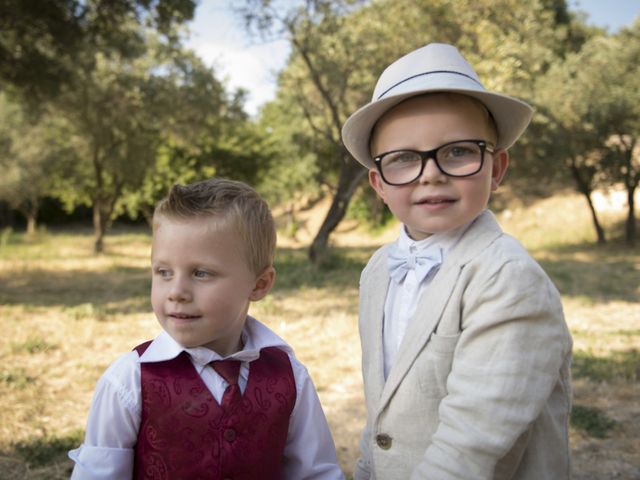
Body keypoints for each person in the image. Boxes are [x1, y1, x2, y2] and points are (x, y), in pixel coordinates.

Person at [341, 43, 572, 479]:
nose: (431, 173)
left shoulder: (508, 278)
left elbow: (474, 442)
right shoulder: (378, 270)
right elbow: (383, 406)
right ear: (379, 183)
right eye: (404, 159)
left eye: (458, 151)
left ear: (496, 167)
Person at [69, 178, 344, 479]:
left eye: (201, 273)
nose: (176, 292)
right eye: (163, 272)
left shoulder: (289, 377)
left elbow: (316, 473)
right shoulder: (127, 382)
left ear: (259, 284)